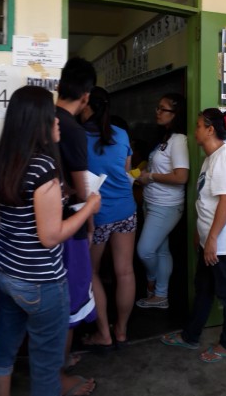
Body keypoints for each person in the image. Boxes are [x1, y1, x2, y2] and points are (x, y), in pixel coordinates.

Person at [0, 86, 100, 396]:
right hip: (40, 280)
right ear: (39, 122)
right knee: (46, 365)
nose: (58, 122)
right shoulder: (43, 168)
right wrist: (89, 207)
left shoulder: (3, 161)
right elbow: (50, 237)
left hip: (5, 273)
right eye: (52, 117)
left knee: (4, 347)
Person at [162, 108, 226, 363]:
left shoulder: (224, 157)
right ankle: (191, 336)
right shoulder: (210, 157)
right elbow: (206, 200)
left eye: (199, 125)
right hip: (211, 240)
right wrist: (201, 235)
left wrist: (211, 239)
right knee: (203, 289)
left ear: (210, 129)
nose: (195, 130)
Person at [53, 57, 98, 396]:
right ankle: (60, 373)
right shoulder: (71, 129)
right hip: (67, 226)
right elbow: (83, 191)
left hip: (35, 228)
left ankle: (56, 363)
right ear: (85, 96)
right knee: (70, 301)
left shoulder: (39, 119)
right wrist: (91, 217)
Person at [80, 87, 136, 348]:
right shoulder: (122, 134)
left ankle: (103, 333)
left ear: (87, 105)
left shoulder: (79, 137)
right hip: (126, 209)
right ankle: (122, 331)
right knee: (124, 271)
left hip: (97, 215)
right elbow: (125, 170)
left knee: (91, 272)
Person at [135, 94, 189, 309]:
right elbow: (159, 168)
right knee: (161, 250)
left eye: (163, 109)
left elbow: (181, 177)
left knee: (145, 250)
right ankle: (160, 296)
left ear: (175, 114)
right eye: (158, 107)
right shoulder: (164, 139)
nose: (158, 112)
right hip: (151, 200)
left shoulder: (179, 140)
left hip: (166, 205)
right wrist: (146, 172)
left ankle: (151, 281)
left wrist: (151, 177)